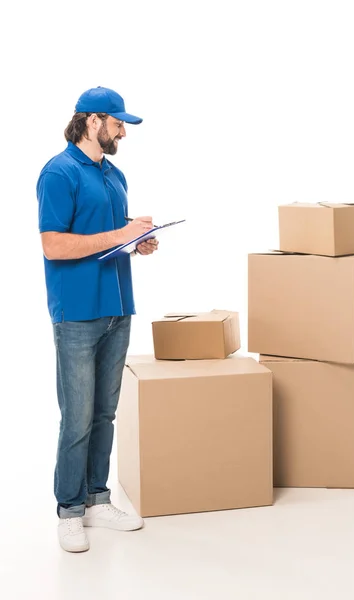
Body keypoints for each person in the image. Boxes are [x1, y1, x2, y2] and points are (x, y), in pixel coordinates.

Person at [37, 86, 158, 553]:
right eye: (117, 122)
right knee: (77, 418)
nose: (122, 131)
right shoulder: (59, 172)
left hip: (117, 308)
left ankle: (96, 499)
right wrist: (119, 233)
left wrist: (138, 241)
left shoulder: (116, 175)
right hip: (78, 314)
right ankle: (69, 510)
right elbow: (54, 245)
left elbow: (109, 240)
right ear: (92, 121)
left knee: (105, 413)